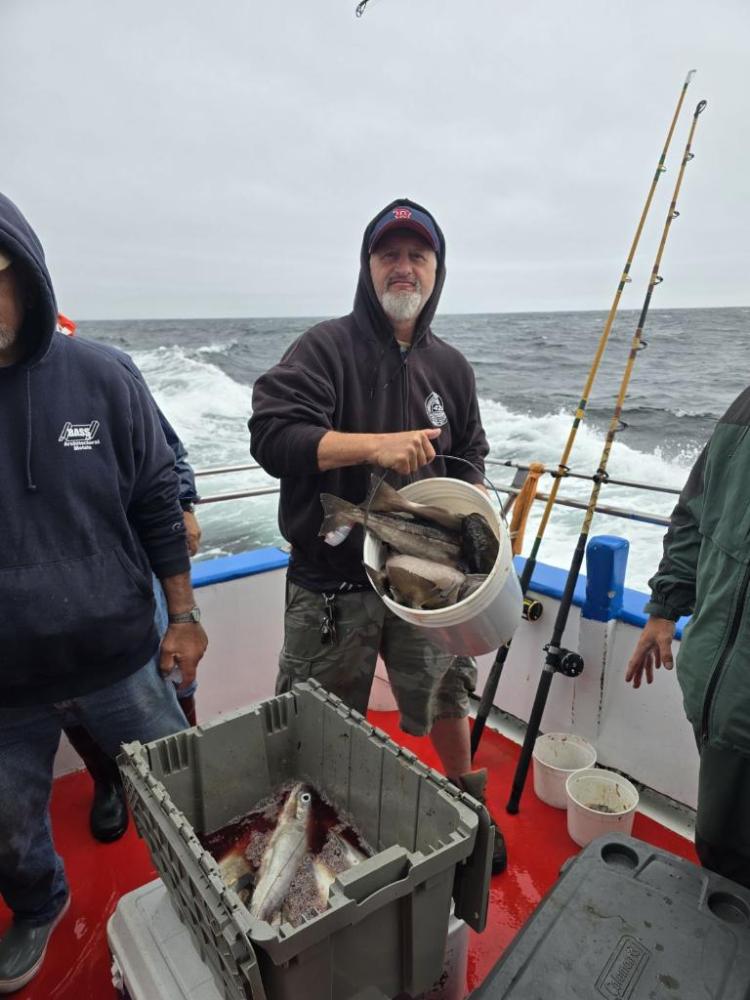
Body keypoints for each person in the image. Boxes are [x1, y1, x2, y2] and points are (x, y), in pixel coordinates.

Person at [250, 198, 506, 873]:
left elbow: (471, 447)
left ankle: (467, 803)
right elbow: (272, 435)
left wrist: (470, 490)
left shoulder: (451, 368)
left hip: (425, 574)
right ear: (367, 269)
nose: (403, 267)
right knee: (315, 718)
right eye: (388, 254)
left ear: (436, 271)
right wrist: (374, 448)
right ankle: (302, 838)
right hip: (332, 581)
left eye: (416, 255)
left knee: (449, 683)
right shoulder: (324, 348)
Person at [0, 192, 208, 993]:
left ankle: (204, 892)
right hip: (4, 686)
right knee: (10, 828)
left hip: (120, 654)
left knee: (178, 787)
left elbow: (159, 494)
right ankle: (37, 904)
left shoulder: (104, 375)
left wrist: (183, 615)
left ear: (26, 271)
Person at [58, 319, 203, 843]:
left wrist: (184, 502)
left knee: (178, 673)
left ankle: (194, 757)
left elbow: (167, 456)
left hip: (132, 572)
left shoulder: (103, 374)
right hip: (49, 617)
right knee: (71, 703)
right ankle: (109, 782)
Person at [626, 388, 750, 889]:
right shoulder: (743, 409)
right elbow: (694, 516)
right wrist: (665, 608)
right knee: (721, 850)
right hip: (715, 702)